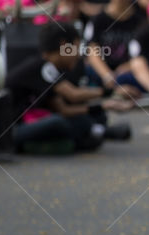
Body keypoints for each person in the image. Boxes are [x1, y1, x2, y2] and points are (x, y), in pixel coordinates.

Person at [8, 22, 131, 153]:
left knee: (92, 116)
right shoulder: (43, 66)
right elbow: (73, 94)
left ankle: (94, 132)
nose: (78, 55)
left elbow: (64, 109)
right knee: (58, 122)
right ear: (64, 46)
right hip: (12, 130)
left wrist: (103, 106)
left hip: (34, 120)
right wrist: (112, 92)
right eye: (76, 49)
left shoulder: (51, 67)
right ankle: (98, 133)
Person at [83, 0, 146, 94]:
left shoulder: (141, 20)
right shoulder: (98, 19)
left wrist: (130, 66)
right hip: (102, 73)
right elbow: (91, 49)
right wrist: (107, 75)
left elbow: (145, 51)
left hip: (131, 72)